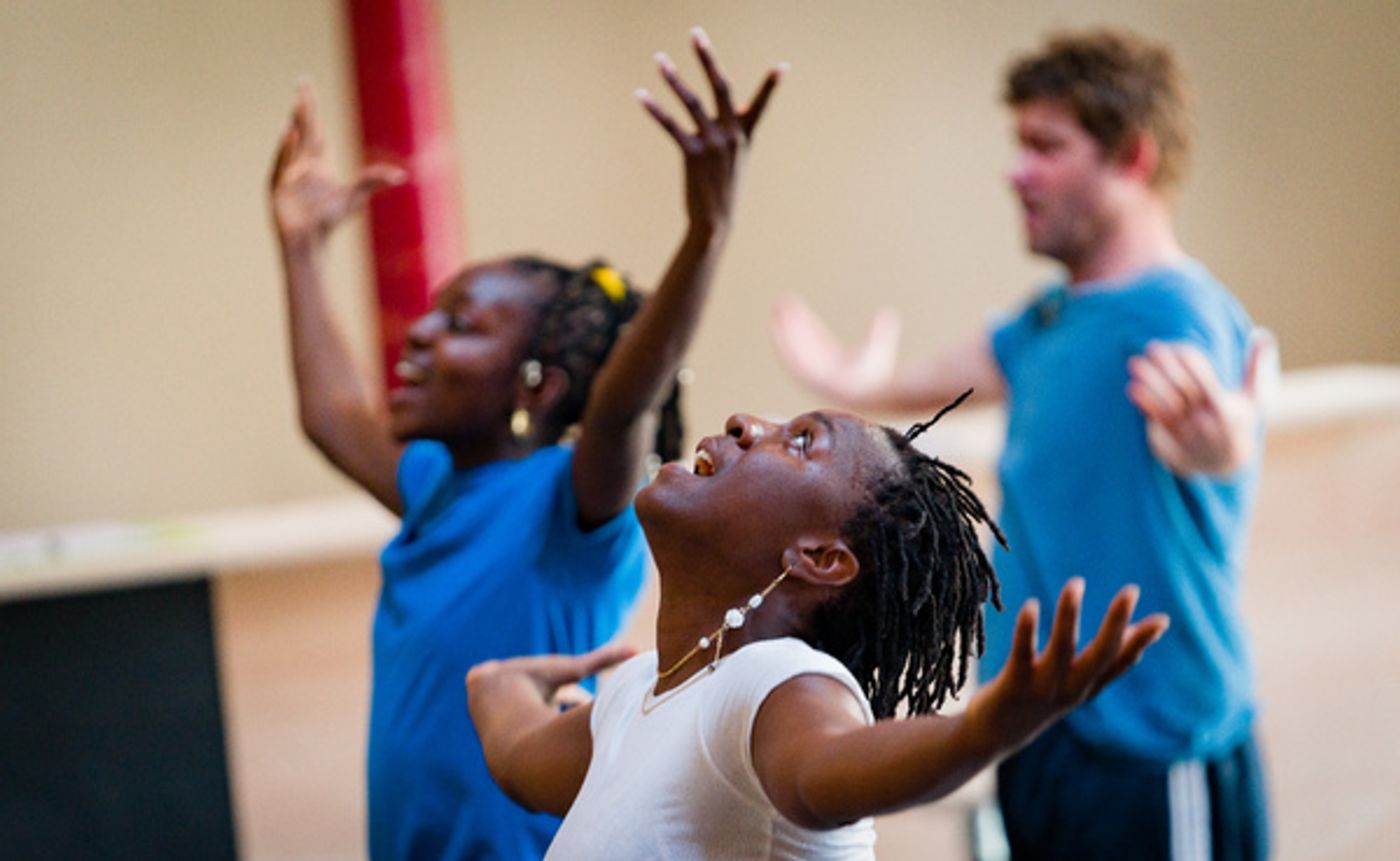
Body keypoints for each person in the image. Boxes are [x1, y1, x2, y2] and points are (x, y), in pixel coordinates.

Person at [267, 29, 783, 861]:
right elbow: (331, 414)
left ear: (534, 388)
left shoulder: (568, 509)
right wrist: (300, 248)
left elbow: (622, 406)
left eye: (462, 325)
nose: (421, 333)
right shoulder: (433, 484)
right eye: (432, 312)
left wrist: (705, 232)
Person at [770, 28, 1270, 860]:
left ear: (1132, 158)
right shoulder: (1048, 321)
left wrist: (1219, 446)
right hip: (1037, 727)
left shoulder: (1177, 314)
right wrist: (852, 383)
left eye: (1045, 146)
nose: (1017, 171)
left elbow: (1227, 421)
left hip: (1152, 744)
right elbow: (955, 367)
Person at [467, 397, 1170, 860]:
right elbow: (516, 753)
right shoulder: (634, 693)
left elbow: (825, 767)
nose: (745, 422)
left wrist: (980, 732)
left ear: (820, 557)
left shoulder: (776, 685)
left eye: (800, 441)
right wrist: (499, 678)